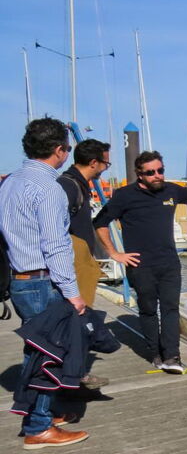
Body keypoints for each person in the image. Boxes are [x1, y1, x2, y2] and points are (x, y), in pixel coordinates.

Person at [93, 151, 187, 372]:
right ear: (140, 174)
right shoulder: (124, 195)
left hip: (169, 263)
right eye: (150, 172)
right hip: (139, 265)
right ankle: (155, 352)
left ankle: (172, 356)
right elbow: (100, 222)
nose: (157, 175)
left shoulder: (171, 190)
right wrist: (115, 254)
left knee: (171, 309)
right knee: (149, 310)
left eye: (160, 170)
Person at [0, 117, 89, 448]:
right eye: (66, 148)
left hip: (20, 279)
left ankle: (40, 415)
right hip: (42, 281)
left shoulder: (9, 182)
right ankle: (38, 426)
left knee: (36, 351)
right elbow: (55, 245)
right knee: (48, 354)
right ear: (59, 150)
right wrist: (73, 294)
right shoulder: (49, 188)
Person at [56, 138, 111, 389]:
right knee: (74, 324)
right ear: (93, 162)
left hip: (79, 264)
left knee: (77, 323)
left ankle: (73, 375)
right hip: (72, 267)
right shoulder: (68, 186)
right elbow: (56, 230)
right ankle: (70, 379)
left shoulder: (77, 184)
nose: (104, 169)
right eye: (105, 164)